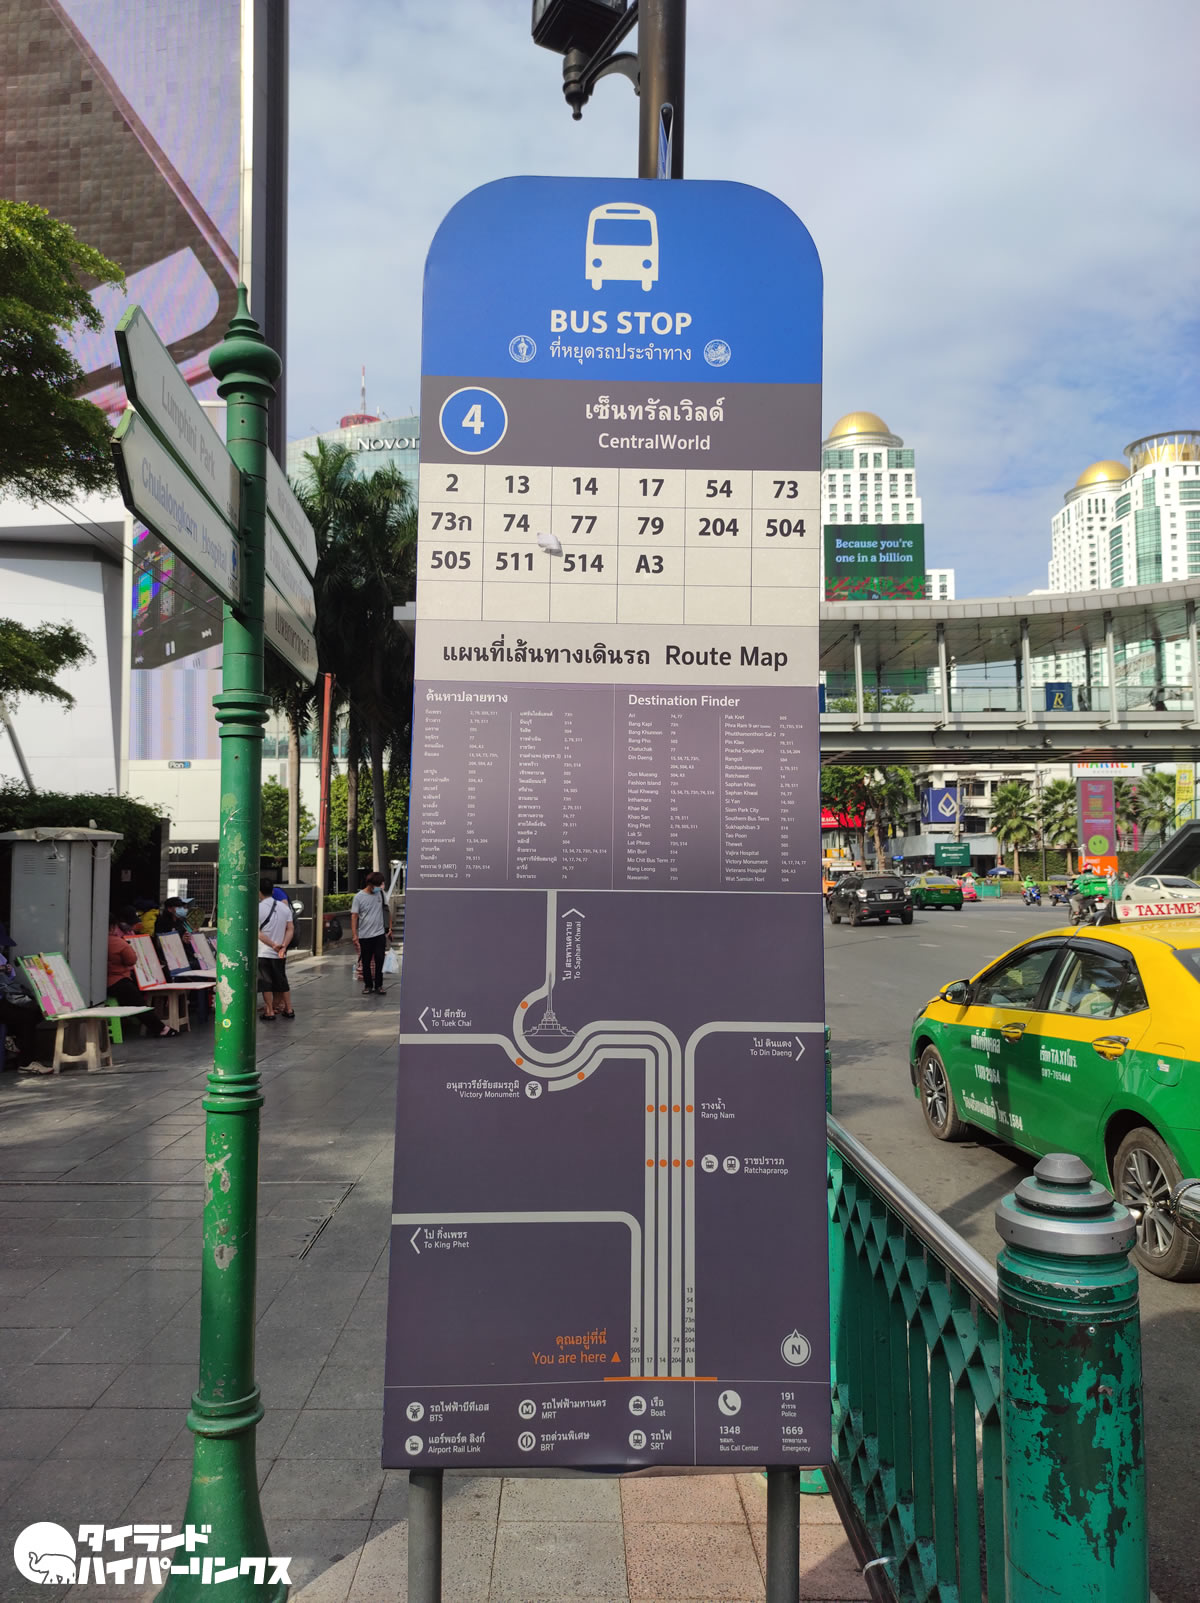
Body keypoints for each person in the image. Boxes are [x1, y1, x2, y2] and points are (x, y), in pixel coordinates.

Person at [108, 916, 176, 1037]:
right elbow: (131, 959)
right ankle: (161, 1029)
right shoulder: (117, 942)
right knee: (138, 1002)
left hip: (104, 983)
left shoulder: (95, 940)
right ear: (113, 927)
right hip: (117, 981)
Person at [257, 876, 295, 1020]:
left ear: (259, 892)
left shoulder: (258, 908)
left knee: (266, 982)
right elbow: (290, 928)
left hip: (263, 951)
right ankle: (289, 1009)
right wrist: (283, 946)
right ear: (272, 891)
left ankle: (269, 1010)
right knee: (282, 980)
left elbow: (258, 933)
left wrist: (273, 945)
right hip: (280, 953)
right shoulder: (284, 907)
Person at [351, 871, 390, 995]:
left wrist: (389, 928)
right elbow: (354, 916)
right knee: (366, 962)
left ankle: (379, 985)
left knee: (380, 960)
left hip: (379, 934)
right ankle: (368, 985)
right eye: (377, 885)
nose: (379, 887)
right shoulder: (359, 897)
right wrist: (354, 935)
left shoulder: (381, 894)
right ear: (370, 884)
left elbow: (386, 910)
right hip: (365, 935)